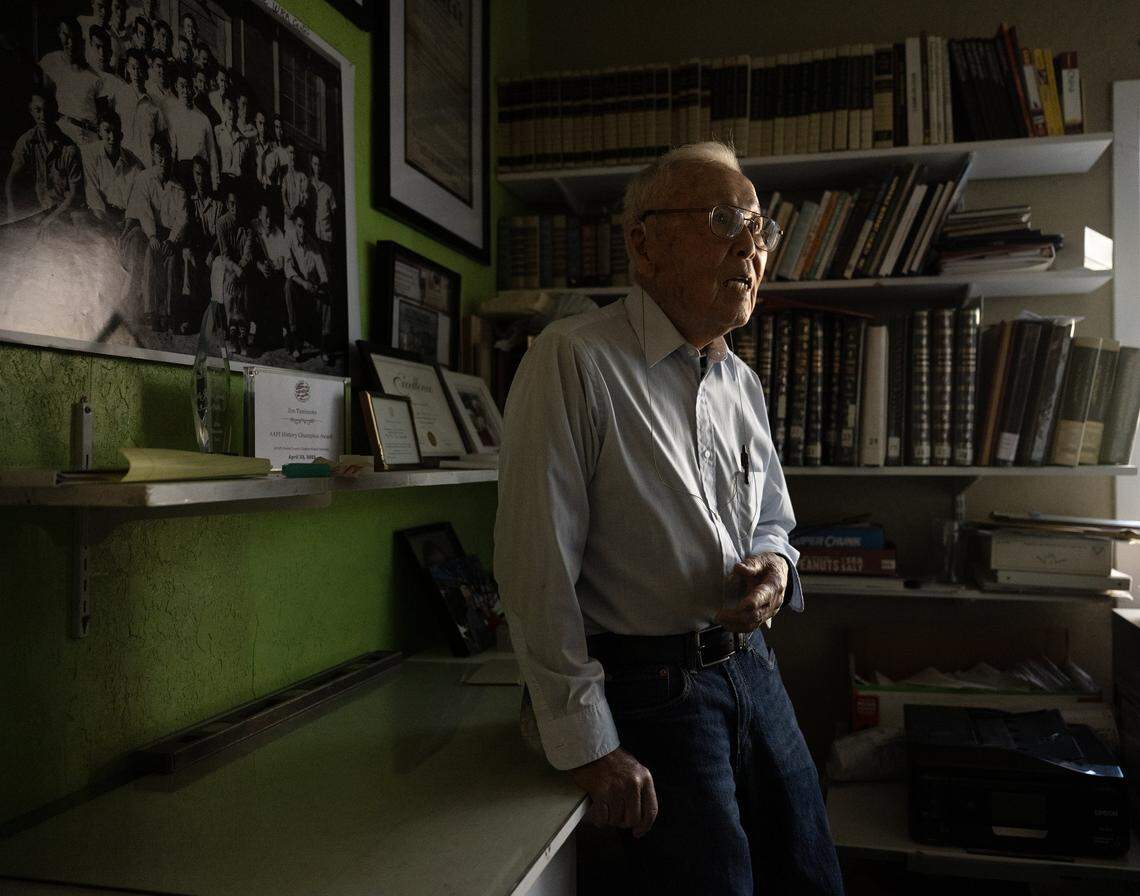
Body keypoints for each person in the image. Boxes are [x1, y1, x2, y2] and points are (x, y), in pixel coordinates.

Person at [494, 141, 845, 896]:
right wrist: (585, 744)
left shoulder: (740, 382)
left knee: (812, 877)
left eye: (761, 227)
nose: (754, 245)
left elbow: (775, 520)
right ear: (644, 243)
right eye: (726, 219)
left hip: (755, 671)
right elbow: (535, 571)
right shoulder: (573, 359)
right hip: (652, 692)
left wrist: (774, 571)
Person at [121, 134, 188, 330]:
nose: (163, 160)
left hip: (169, 235)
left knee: (171, 258)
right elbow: (144, 210)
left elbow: (182, 218)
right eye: (158, 155)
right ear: (153, 156)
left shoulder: (178, 187)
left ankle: (166, 312)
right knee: (150, 253)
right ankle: (150, 310)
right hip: (147, 231)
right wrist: (152, 236)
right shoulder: (144, 179)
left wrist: (171, 240)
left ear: (170, 156)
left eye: (166, 155)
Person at [5, 88, 83, 228]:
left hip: (62, 211)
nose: (43, 116)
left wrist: (51, 219)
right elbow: (12, 180)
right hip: (36, 210)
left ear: (55, 112)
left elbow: (74, 194)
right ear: (31, 112)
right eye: (37, 110)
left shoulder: (69, 148)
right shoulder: (26, 142)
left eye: (47, 110)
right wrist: (12, 214)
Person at [40, 18, 103, 146]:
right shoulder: (49, 63)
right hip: (61, 137)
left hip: (88, 139)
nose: (71, 43)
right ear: (59, 34)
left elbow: (102, 115)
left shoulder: (94, 77)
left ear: (82, 41)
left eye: (75, 38)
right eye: (66, 36)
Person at [81, 107, 142, 230]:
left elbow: (138, 200)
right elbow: (93, 197)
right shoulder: (90, 155)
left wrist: (127, 225)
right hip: (100, 217)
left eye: (115, 131)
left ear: (121, 134)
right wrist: (109, 226)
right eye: (107, 131)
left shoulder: (133, 162)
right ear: (99, 132)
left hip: (127, 219)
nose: (112, 137)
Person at [282, 210, 330, 363]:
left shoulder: (312, 243)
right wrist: (303, 283)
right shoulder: (288, 238)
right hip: (298, 285)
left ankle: (325, 346)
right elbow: (288, 269)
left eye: (305, 227)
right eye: (299, 226)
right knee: (288, 286)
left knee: (327, 295)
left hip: (311, 288)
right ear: (295, 226)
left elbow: (322, 269)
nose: (302, 231)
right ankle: (297, 343)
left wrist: (322, 285)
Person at [209, 187, 252, 354]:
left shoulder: (248, 225)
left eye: (238, 204)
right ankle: (233, 329)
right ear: (227, 204)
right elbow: (225, 253)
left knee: (243, 283)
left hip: (243, 267)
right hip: (229, 265)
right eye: (232, 204)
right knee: (227, 280)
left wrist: (238, 270)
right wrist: (234, 270)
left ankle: (241, 331)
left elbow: (247, 254)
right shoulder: (221, 223)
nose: (235, 208)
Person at [167, 68, 218, 190]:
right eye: (182, 86)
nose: (185, 91)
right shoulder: (172, 117)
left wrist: (215, 181)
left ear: (193, 88)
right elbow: (172, 151)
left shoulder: (203, 118)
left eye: (188, 86)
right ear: (176, 87)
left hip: (201, 172)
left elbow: (211, 152)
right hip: (182, 173)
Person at [117, 49, 165, 164]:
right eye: (133, 68)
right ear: (128, 68)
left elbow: (161, 136)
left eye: (140, 69)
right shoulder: (119, 97)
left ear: (146, 71)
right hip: (125, 163)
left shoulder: (155, 103)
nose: (136, 73)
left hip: (147, 164)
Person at [306, 149, 336, 269]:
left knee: (327, 267)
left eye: (319, 165)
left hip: (326, 236)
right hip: (312, 235)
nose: (317, 168)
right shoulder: (307, 185)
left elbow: (334, 214)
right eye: (315, 164)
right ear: (311, 165)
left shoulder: (328, 190)